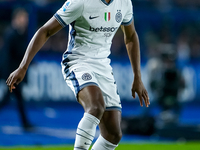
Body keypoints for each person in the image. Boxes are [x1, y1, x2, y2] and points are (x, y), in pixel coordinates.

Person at [6, 0, 150, 149]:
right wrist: (23, 67)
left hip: (103, 66)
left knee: (113, 133)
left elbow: (131, 36)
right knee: (96, 106)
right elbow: (45, 30)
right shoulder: (80, 2)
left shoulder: (124, 3)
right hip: (78, 62)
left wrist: (137, 77)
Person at [0, 8, 33, 130]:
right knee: (8, 99)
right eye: (23, 18)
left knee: (14, 98)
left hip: (13, 72)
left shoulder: (18, 33)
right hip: (11, 72)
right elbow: (10, 55)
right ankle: (25, 124)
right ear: (16, 19)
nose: (25, 21)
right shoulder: (12, 34)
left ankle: (25, 123)